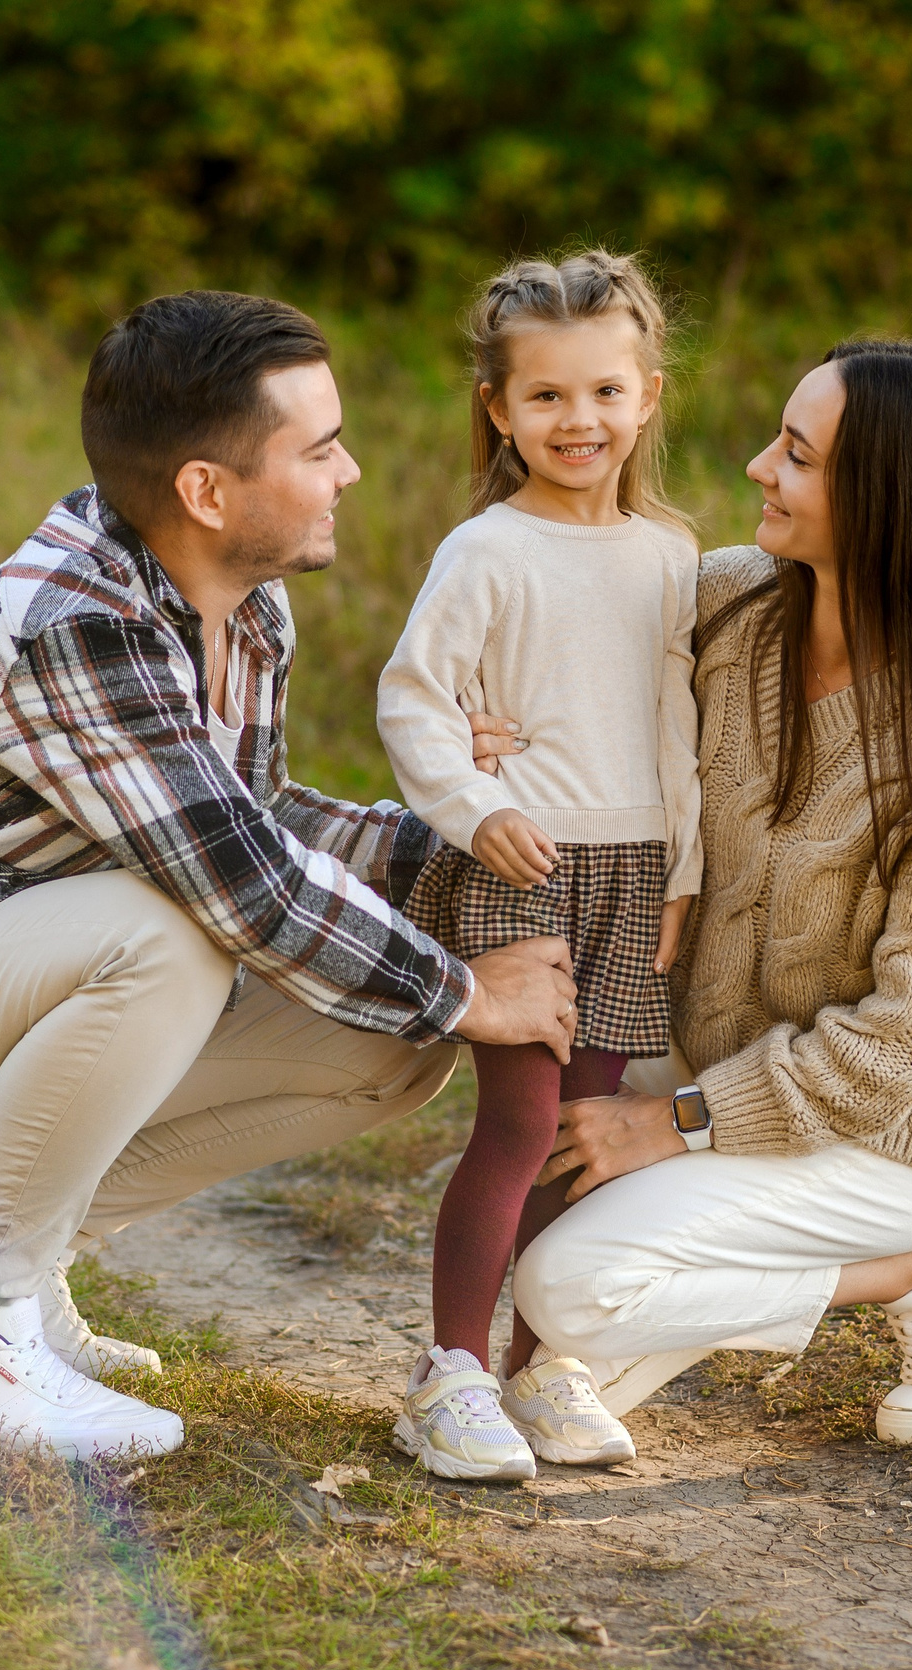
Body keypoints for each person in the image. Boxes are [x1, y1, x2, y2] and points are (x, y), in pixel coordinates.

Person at [0, 290, 577, 1462]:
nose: (351, 472)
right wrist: (470, 990)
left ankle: (19, 1261)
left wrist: (472, 840)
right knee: (170, 936)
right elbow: (244, 883)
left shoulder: (242, 607)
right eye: (319, 450)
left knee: (391, 1041)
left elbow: (250, 815)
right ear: (207, 491)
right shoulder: (75, 622)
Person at [489, 338, 912, 1443]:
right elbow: (552, 677)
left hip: (897, 1137)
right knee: (541, 1184)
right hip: (717, 1060)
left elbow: (902, 1047)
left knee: (565, 1287)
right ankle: (675, 1256)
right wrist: (490, 733)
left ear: (889, 505)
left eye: (798, 456)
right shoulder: (723, 604)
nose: (760, 465)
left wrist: (674, 1125)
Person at [375, 251, 701, 1480]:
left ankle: (541, 1363)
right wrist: (474, 806)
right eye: (547, 395)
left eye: (605, 391)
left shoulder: (670, 555)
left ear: (647, 397)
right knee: (517, 1124)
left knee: (583, 1129)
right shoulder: (486, 549)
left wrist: (684, 873)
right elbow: (414, 696)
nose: (580, 419)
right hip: (526, 867)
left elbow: (684, 729)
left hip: (635, 871)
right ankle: (451, 1371)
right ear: (499, 408)